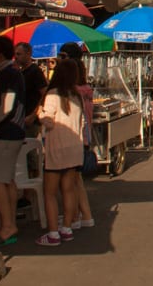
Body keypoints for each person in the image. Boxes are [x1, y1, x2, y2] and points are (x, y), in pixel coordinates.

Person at [35, 56, 84, 246]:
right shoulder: (76, 95)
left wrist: (40, 113)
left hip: (57, 148)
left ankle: (53, 233)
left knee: (50, 192)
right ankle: (67, 228)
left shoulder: (53, 94)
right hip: (74, 148)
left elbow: (48, 120)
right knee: (69, 189)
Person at [0, 35, 26, 248]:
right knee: (7, 179)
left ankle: (8, 225)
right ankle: (8, 223)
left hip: (7, 134)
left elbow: (7, 106)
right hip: (14, 134)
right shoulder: (11, 73)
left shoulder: (8, 74)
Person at [62, 43, 94, 230]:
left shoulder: (72, 92)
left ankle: (73, 217)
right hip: (83, 136)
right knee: (76, 180)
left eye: (63, 56)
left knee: (69, 180)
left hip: (73, 136)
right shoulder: (85, 89)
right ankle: (85, 215)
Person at [15, 42, 47, 138]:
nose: (16, 57)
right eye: (15, 54)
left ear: (28, 54)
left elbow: (44, 94)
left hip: (30, 121)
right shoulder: (20, 72)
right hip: (21, 119)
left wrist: (33, 116)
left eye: (19, 54)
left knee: (30, 150)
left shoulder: (35, 71)